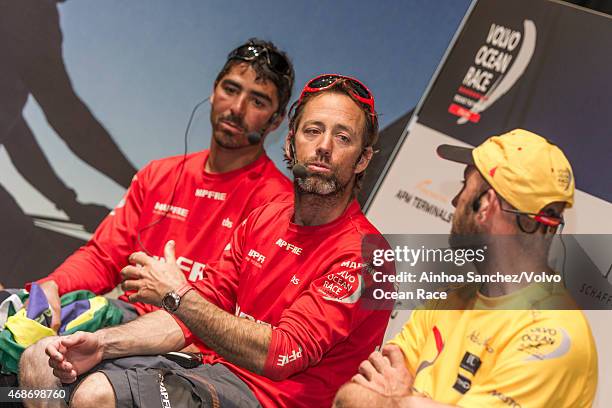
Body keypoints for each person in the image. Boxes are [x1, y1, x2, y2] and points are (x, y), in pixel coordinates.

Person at [39, 74, 393, 408]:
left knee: (95, 395)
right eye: (313, 131)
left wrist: (178, 295)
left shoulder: (370, 254)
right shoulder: (266, 215)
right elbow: (195, 310)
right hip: (213, 372)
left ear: (362, 159)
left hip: (271, 398)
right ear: (290, 141)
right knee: (39, 365)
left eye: (343, 137)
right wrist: (102, 344)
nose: (324, 147)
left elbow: (281, 354)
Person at [18, 38, 295, 390]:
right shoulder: (158, 174)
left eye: (258, 100)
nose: (237, 108)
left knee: (49, 365)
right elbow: (104, 257)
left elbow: (253, 326)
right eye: (231, 89)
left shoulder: (278, 205)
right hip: (126, 320)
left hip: (194, 351)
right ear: (213, 91)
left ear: (276, 120)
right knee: (17, 327)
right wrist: (53, 285)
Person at [333, 129, 598, 407]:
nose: (455, 200)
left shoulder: (554, 337)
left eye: (464, 185)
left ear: (487, 205)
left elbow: (376, 400)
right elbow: (352, 397)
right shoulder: (448, 301)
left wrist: (399, 399)